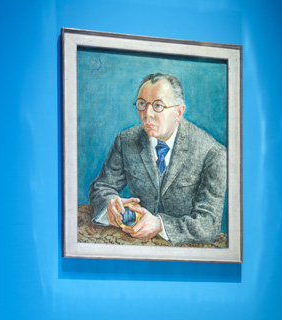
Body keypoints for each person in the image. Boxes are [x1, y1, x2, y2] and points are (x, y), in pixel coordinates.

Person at [88, 73, 227, 245]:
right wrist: (112, 204)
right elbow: (101, 187)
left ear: (179, 112)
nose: (147, 114)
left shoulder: (213, 153)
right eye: (142, 104)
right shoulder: (125, 140)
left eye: (158, 105)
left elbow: (208, 224)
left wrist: (160, 225)